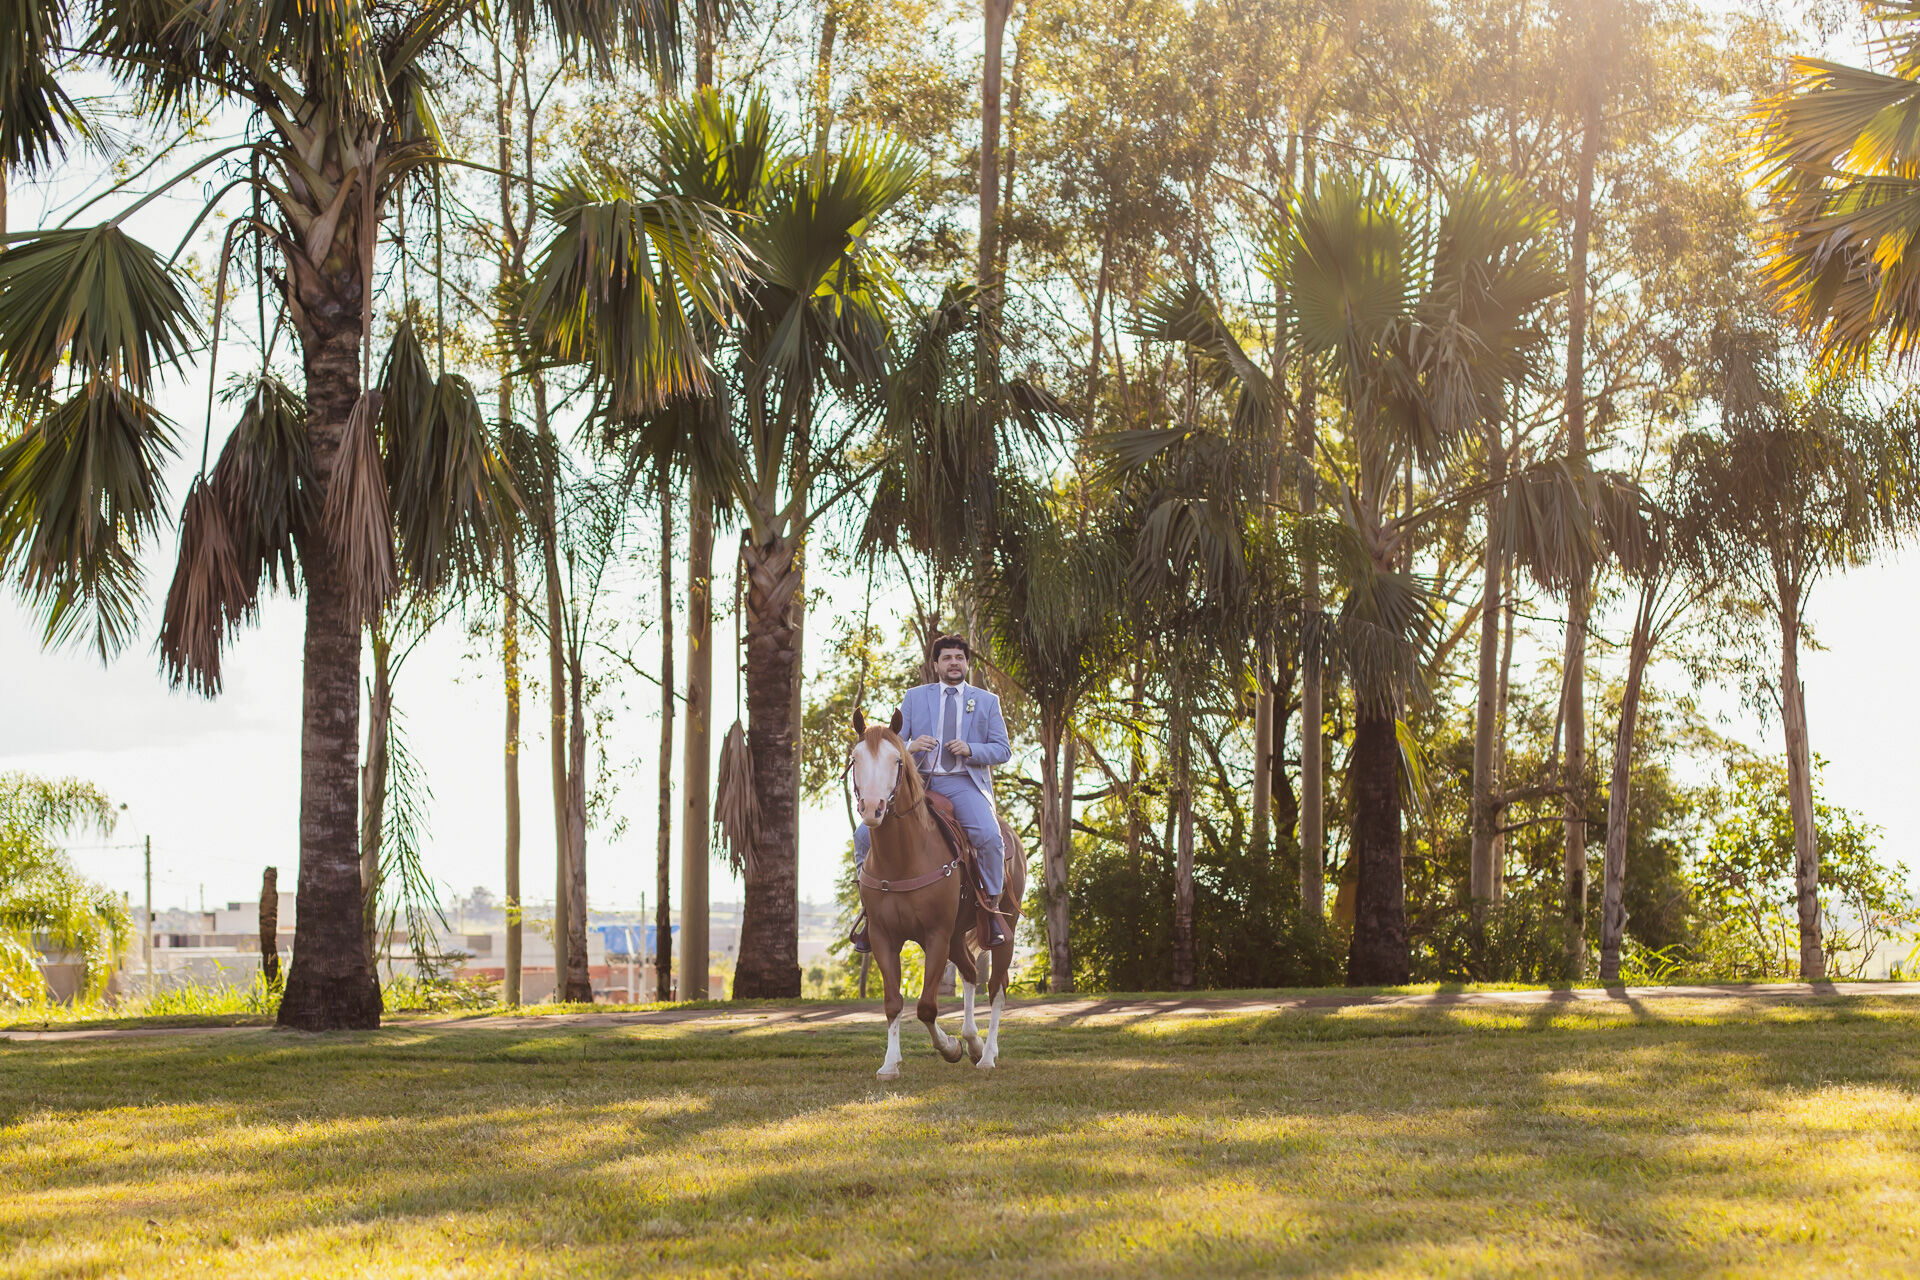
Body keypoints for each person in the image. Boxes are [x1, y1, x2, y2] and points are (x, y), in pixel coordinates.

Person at [851, 634, 1011, 952]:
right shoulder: (914, 697)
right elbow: (894, 741)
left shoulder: (987, 701)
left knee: (990, 837)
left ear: (967, 663)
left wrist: (971, 748)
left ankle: (990, 910)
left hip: (963, 782)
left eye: (960, 658)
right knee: (862, 836)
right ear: (935, 664)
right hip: (917, 782)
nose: (954, 662)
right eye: (947, 657)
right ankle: (870, 912)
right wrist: (911, 747)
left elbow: (1003, 749)